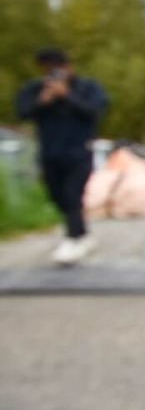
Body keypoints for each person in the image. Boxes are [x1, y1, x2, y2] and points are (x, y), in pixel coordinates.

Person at [15, 47, 109, 265]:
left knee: (72, 194)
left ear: (69, 67)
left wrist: (67, 95)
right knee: (57, 196)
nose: (53, 74)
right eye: (48, 69)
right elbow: (22, 112)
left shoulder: (87, 88)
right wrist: (43, 100)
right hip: (49, 152)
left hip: (79, 151)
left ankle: (72, 240)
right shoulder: (36, 89)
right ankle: (84, 235)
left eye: (58, 68)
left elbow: (94, 112)